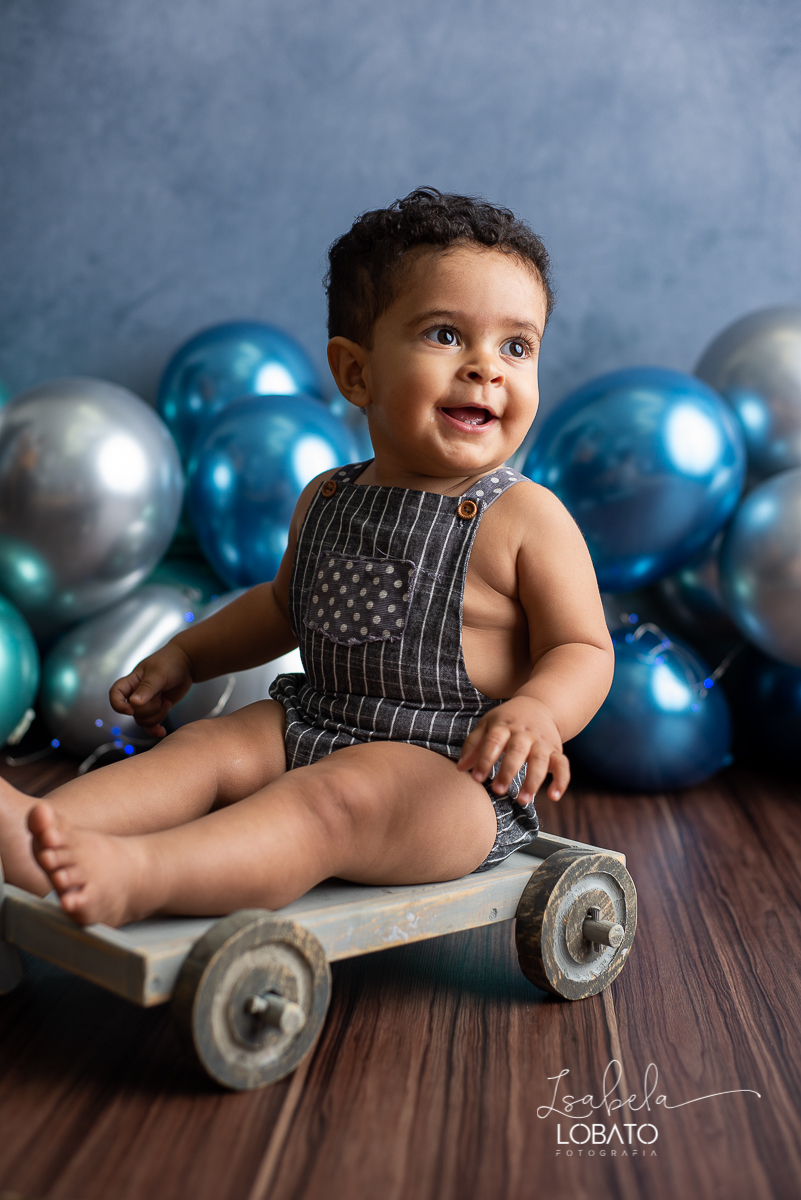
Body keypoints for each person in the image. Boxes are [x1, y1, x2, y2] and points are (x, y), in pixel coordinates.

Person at [0, 188, 614, 928]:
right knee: (206, 749)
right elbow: (279, 609)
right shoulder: (328, 496)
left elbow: (581, 645)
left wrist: (537, 710)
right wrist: (187, 658)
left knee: (327, 802)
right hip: (315, 721)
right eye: (446, 335)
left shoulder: (525, 517)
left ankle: (142, 875)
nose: (487, 369)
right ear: (356, 374)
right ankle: (40, 833)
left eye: (516, 346)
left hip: (453, 779)